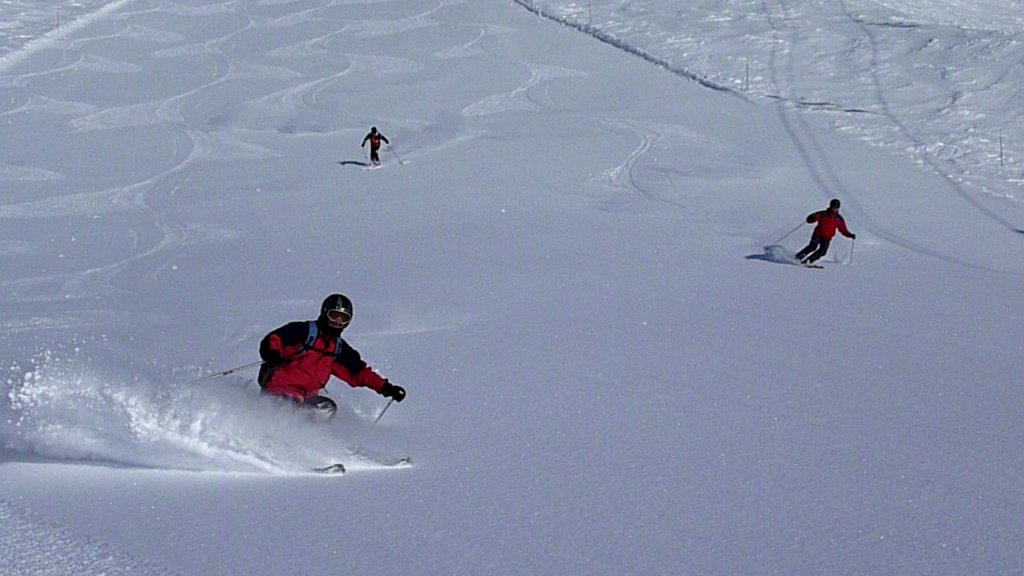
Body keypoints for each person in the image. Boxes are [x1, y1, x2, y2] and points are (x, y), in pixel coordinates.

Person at [257, 294, 405, 418]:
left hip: (306, 398)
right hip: (280, 390)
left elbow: (359, 372)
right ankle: (268, 437)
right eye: (334, 316)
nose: (337, 323)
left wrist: (386, 388)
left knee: (327, 409)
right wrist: (273, 354)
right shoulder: (303, 331)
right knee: (285, 408)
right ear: (325, 313)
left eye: (343, 319)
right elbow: (274, 339)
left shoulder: (338, 348)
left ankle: (308, 444)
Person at [795, 198, 856, 265]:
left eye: (836, 208)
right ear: (830, 206)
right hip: (818, 234)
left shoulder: (838, 219)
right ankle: (798, 257)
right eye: (834, 207)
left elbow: (843, 229)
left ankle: (808, 261)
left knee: (823, 251)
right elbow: (813, 217)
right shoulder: (824, 214)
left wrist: (849, 235)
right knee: (813, 247)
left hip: (827, 237)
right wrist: (811, 218)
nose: (835, 209)